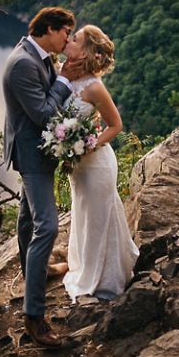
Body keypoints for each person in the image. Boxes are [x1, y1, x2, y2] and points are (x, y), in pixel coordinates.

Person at [2, 6, 82, 348]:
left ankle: (36, 271)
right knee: (47, 226)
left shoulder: (39, 56)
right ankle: (34, 318)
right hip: (33, 153)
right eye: (66, 32)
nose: (68, 39)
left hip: (36, 148)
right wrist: (64, 78)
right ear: (48, 29)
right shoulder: (23, 64)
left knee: (26, 218)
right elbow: (43, 113)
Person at [56, 25, 139, 301]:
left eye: (75, 38)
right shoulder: (63, 73)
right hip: (77, 166)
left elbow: (115, 125)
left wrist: (89, 144)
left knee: (99, 219)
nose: (69, 39)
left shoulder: (94, 87)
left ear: (86, 50)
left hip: (97, 164)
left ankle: (107, 280)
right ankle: (85, 268)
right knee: (84, 214)